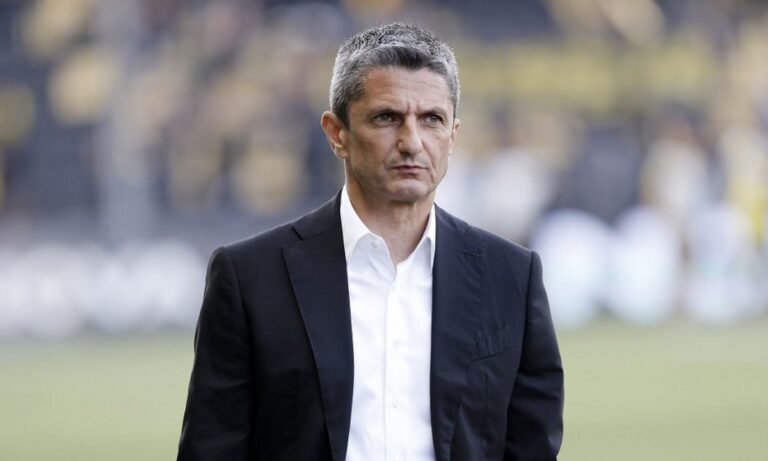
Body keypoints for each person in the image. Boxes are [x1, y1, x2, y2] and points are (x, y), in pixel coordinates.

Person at [177, 23, 563, 461]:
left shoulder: (512, 276)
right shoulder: (250, 278)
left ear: (453, 136)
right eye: (387, 118)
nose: (411, 142)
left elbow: (533, 444)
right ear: (336, 133)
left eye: (432, 119)